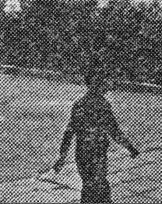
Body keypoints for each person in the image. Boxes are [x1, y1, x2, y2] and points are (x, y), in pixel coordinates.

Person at [52, 64, 140, 203]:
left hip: (84, 153)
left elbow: (69, 132)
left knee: (91, 186)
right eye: (101, 82)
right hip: (95, 153)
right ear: (95, 85)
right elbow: (114, 131)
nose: (105, 85)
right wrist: (130, 147)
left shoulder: (80, 104)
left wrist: (62, 157)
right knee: (98, 186)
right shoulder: (101, 105)